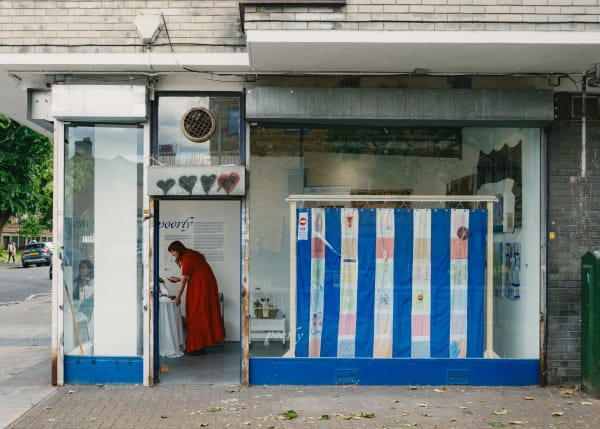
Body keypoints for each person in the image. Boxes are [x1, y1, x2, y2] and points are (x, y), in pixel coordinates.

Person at [167, 240, 225, 355]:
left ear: (177, 250)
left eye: (173, 252)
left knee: (196, 314)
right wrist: (179, 280)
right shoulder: (191, 255)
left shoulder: (187, 257)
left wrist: (178, 297)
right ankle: (200, 345)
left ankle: (197, 346)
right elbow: (194, 275)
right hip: (203, 285)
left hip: (201, 287)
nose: (172, 254)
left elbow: (185, 279)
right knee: (200, 313)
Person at [72, 259, 94, 341]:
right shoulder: (76, 281)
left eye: (83, 268)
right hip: (76, 309)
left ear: (89, 270)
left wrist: (85, 285)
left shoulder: (92, 282)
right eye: (80, 268)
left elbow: (89, 297)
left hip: (87, 311)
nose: (81, 269)